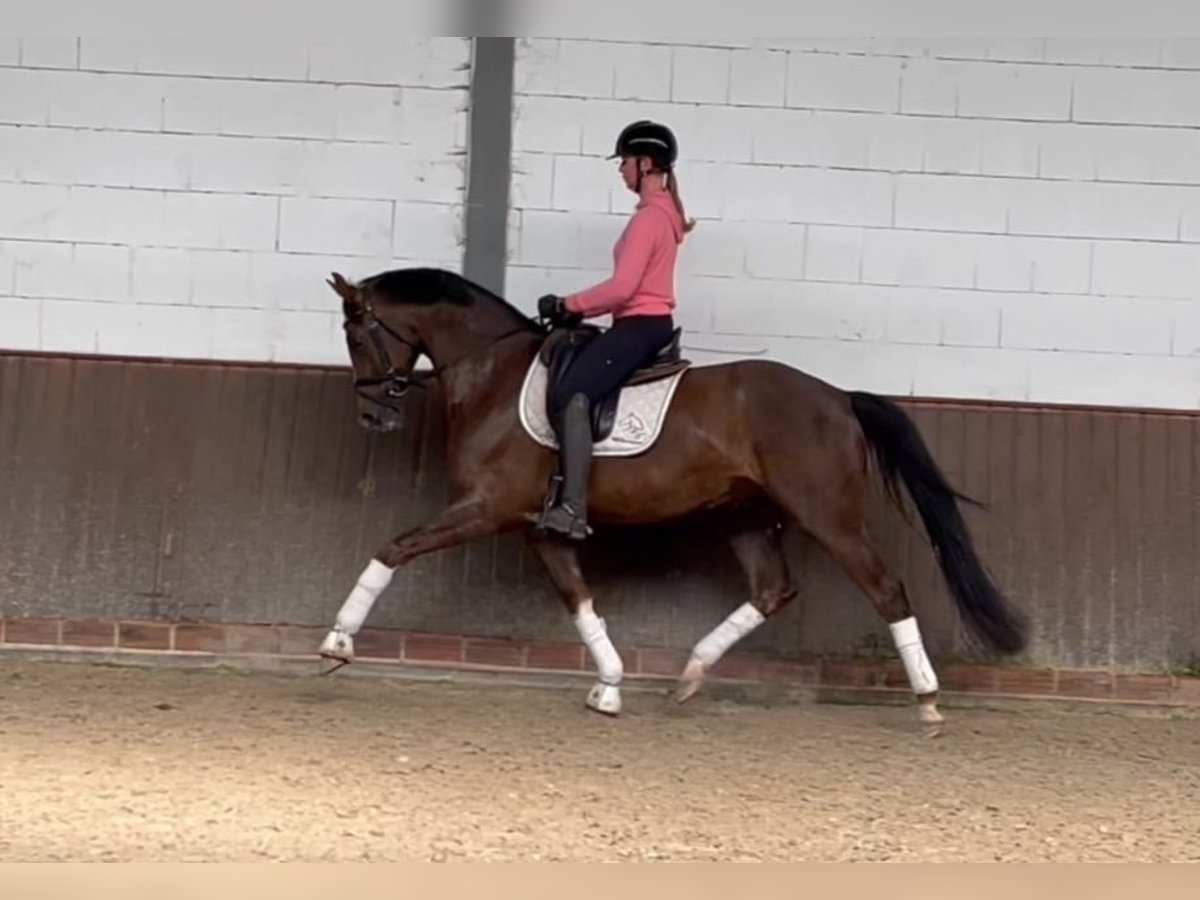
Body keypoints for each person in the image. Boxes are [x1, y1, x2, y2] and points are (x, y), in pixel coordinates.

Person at [535, 119, 696, 540]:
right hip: (643, 323)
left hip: (641, 324)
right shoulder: (662, 215)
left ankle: (571, 507)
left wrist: (567, 305)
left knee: (572, 392)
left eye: (624, 160)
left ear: (645, 163)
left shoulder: (649, 220)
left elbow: (623, 287)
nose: (620, 168)